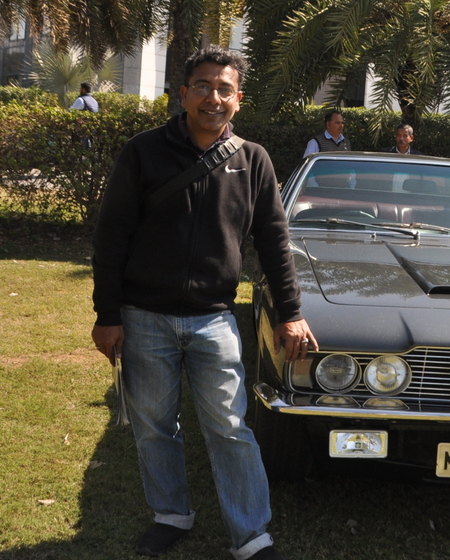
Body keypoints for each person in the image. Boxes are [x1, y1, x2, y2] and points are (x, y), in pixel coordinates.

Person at [91, 45, 317, 560]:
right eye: (203, 87)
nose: (213, 98)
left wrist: (290, 313)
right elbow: (112, 237)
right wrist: (108, 315)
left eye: (224, 89)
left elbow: (274, 242)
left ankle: (251, 536)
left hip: (214, 319)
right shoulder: (143, 152)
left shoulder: (253, 159)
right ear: (183, 93)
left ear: (238, 99)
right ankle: (171, 515)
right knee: (154, 427)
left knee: (230, 428)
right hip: (144, 317)